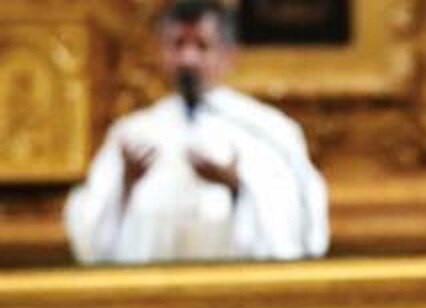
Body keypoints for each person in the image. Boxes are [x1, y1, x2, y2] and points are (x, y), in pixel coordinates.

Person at [64, 0, 328, 264]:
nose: (188, 59)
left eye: (202, 45)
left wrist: (238, 188)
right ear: (161, 52)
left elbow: (299, 230)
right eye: (177, 44)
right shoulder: (131, 134)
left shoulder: (269, 132)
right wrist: (126, 185)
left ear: (229, 55)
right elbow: (92, 240)